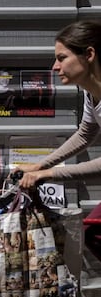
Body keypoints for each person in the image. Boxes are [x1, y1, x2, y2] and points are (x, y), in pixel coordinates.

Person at [13, 20, 101, 188]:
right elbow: (85, 134)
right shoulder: (90, 92)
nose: (54, 67)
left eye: (62, 58)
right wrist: (40, 165)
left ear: (89, 55)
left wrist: (49, 173)